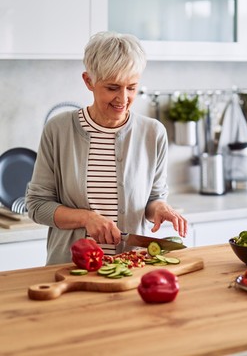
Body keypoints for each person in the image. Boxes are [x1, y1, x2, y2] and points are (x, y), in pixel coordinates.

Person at [26, 31, 188, 265]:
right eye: (112, 88)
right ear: (89, 81)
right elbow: (37, 206)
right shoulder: (58, 130)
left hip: (132, 267)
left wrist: (160, 208)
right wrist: (86, 218)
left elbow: (153, 198)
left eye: (132, 87)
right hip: (70, 267)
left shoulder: (153, 133)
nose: (123, 99)